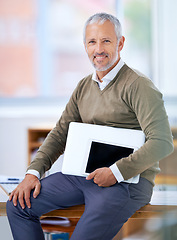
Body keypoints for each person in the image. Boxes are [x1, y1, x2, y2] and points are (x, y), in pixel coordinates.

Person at [6, 13, 174, 240]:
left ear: (120, 43)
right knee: (18, 205)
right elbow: (60, 133)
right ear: (85, 45)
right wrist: (33, 172)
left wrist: (115, 172)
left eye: (106, 41)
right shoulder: (84, 86)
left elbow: (162, 142)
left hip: (127, 183)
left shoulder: (139, 86)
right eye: (92, 42)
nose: (98, 49)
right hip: (82, 176)